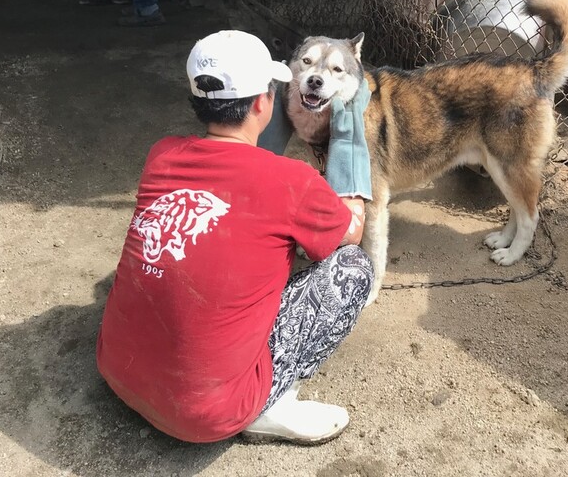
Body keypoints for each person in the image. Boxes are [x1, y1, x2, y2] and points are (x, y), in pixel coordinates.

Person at [96, 30, 375, 444]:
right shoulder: (292, 181)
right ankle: (268, 406)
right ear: (265, 101)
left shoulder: (162, 154)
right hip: (207, 416)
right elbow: (351, 234)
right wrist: (350, 150)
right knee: (353, 268)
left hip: (118, 369)